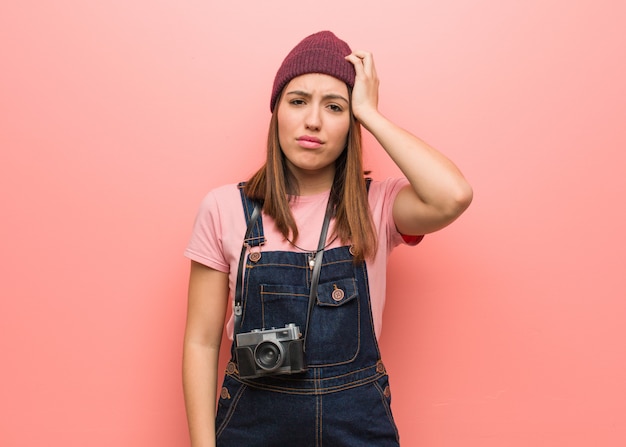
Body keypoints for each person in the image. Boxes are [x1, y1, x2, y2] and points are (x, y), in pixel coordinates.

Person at [182, 30, 472, 447]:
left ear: (351, 122)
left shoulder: (379, 206)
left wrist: (370, 114)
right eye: (297, 101)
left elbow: (454, 195)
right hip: (251, 428)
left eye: (334, 107)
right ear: (276, 111)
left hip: (357, 427)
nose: (313, 120)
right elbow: (201, 341)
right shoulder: (225, 208)